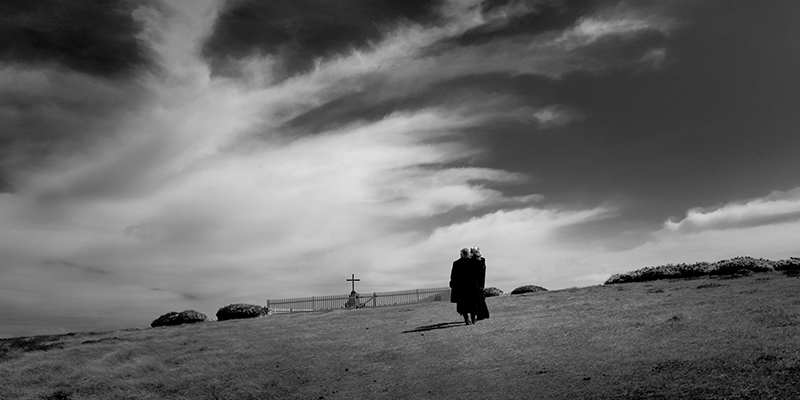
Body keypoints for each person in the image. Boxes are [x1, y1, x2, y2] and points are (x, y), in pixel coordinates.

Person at [449, 248, 481, 325]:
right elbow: (477, 274)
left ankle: (467, 319)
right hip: (472, 285)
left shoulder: (456, 263)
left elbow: (453, 276)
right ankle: (473, 319)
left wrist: (453, 284)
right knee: (473, 302)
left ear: (461, 254)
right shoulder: (472, 262)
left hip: (461, 286)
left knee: (463, 304)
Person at [470, 246, 490, 322]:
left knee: (478, 299)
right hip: (481, 281)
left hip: (475, 281)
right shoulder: (482, 260)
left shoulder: (473, 260)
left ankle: (481, 314)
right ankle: (485, 314)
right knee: (481, 298)